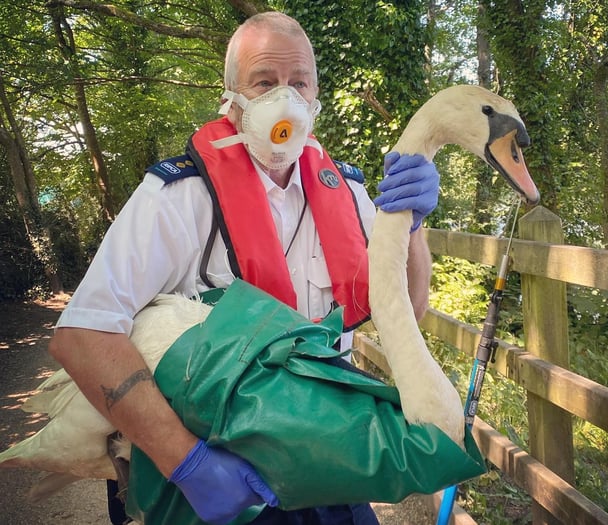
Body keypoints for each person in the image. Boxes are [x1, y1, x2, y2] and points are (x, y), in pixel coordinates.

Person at [48, 11, 440, 525]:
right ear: (232, 100)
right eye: (265, 82)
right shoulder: (176, 197)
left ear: (317, 96)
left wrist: (411, 228)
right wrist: (184, 461)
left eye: (299, 82)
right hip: (214, 468)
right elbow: (82, 335)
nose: (286, 98)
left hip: (326, 458)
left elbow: (407, 313)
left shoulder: (348, 191)